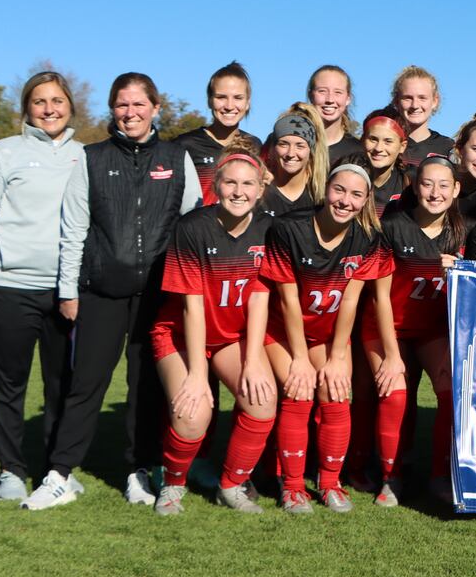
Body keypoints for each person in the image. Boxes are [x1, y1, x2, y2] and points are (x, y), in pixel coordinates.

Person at [26, 73, 202, 511]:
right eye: (122, 105)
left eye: (139, 104)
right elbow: (73, 230)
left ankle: (138, 470)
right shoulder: (91, 159)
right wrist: (69, 290)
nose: (131, 113)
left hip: (158, 297)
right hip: (101, 291)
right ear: (113, 110)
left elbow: (193, 226)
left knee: (144, 386)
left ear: (156, 107)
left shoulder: (176, 157)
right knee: (86, 384)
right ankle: (60, 474)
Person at [0, 71, 85, 502]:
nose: (49, 109)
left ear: (70, 105)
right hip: (6, 285)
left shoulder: (87, 156)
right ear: (27, 109)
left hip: (64, 291)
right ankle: (11, 468)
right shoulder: (2, 153)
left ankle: (56, 470)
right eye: (39, 101)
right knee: (9, 384)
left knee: (63, 385)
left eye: (57, 100)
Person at [149, 152, 277, 515]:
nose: (239, 191)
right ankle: (172, 485)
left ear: (260, 188)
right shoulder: (192, 228)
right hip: (179, 333)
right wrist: (197, 375)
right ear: (215, 186)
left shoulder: (269, 229)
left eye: (247, 183)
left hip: (230, 335)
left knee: (261, 400)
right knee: (194, 413)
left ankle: (232, 484)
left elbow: (258, 301)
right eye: (230, 182)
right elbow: (191, 307)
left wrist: (252, 361)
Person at [261, 164, 393, 514]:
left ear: (365, 201)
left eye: (355, 194)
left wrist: (337, 357)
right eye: (339, 190)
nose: (345, 201)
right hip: (284, 331)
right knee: (299, 391)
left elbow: (350, 299)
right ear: (326, 189)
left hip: (327, 333)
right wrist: (301, 359)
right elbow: (288, 300)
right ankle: (290, 486)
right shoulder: (288, 228)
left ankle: (330, 481)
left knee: (336, 393)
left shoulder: (368, 237)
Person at [366, 156, 465, 506]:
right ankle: (391, 478)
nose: (435, 192)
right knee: (394, 391)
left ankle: (440, 474)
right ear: (414, 186)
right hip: (388, 326)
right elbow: (379, 296)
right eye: (427, 183)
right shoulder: (393, 226)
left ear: (456, 189)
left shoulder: (461, 231)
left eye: (443, 185)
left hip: (432, 328)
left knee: (450, 388)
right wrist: (392, 355)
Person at [173, 61, 254, 204]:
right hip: (197, 226)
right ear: (210, 101)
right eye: (221, 97)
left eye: (238, 98)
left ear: (247, 103)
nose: (229, 106)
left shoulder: (255, 145)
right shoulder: (184, 145)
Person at [260, 105, 329, 219]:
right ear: (273, 148)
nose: (290, 154)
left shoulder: (321, 194)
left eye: (300, 146)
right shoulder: (260, 190)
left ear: (310, 151)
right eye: (283, 144)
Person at [390, 65, 456, 169]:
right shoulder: (386, 143)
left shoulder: (448, 147)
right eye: (408, 98)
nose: (415, 105)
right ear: (396, 101)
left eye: (422, 98)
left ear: (435, 101)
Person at [308, 64, 365, 167]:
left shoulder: (358, 151)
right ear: (311, 96)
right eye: (322, 91)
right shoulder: (296, 146)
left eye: (338, 92)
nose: (330, 99)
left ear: (348, 98)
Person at [359, 110, 410, 218]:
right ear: (363, 140)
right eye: (373, 139)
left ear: (402, 146)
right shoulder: (346, 179)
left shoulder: (409, 184)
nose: (378, 148)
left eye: (388, 141)